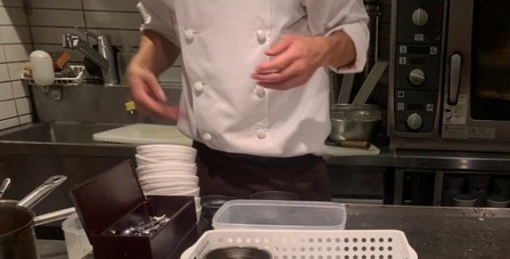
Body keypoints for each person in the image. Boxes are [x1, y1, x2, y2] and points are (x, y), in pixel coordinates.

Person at [129, 2, 370, 201]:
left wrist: (321, 50)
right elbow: (164, 28)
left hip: (292, 176)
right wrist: (144, 64)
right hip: (206, 168)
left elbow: (352, 29)